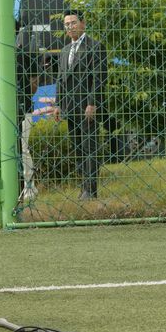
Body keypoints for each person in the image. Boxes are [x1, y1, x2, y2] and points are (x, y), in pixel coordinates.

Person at [54, 11, 107, 200]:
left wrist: (92, 103)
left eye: (73, 23)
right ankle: (83, 187)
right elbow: (61, 80)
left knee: (89, 147)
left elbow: (99, 79)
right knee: (77, 148)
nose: (70, 27)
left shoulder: (95, 47)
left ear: (83, 23)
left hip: (87, 107)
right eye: (66, 24)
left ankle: (90, 191)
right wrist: (58, 104)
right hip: (70, 107)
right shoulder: (65, 50)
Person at [16, 25, 39, 201]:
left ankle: (29, 187)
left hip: (23, 109)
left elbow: (34, 83)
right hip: (19, 107)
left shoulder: (25, 55)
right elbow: (33, 83)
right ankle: (20, 187)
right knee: (21, 149)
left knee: (23, 148)